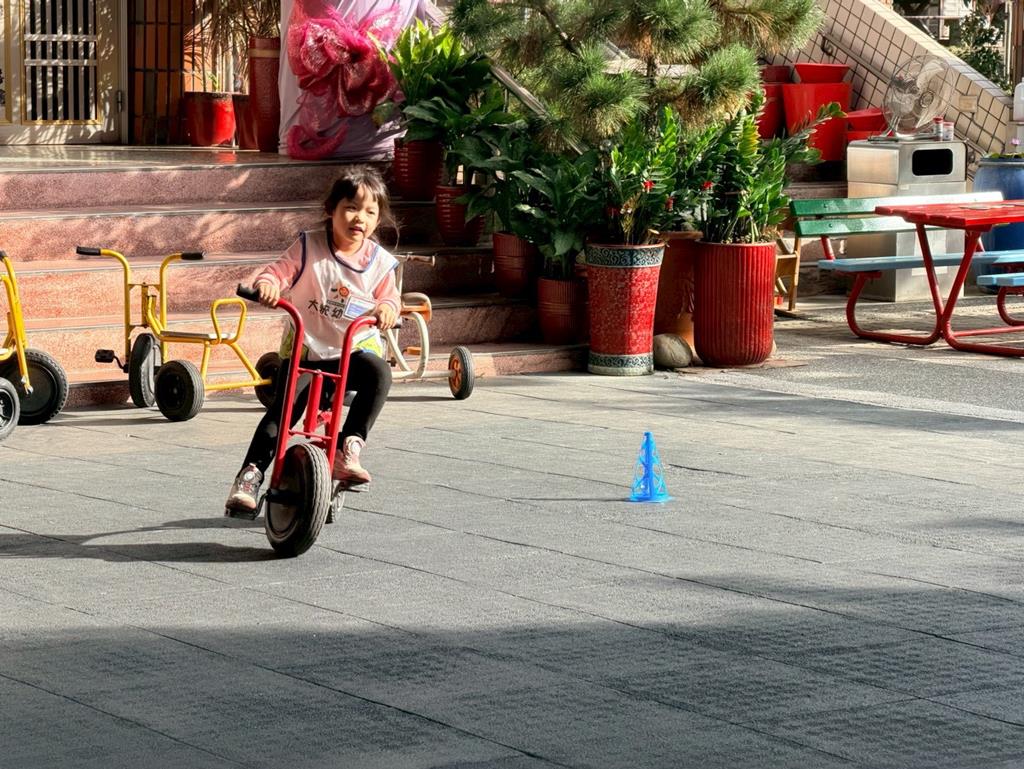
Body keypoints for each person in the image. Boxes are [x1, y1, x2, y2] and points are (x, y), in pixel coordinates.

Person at [225, 165, 399, 518]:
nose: (360, 218)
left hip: (352, 351)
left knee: (379, 373)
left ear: (378, 219)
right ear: (331, 209)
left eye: (370, 212)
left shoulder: (379, 262)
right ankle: (250, 477)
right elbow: (277, 272)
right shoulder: (309, 246)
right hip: (307, 349)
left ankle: (348, 447)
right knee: (284, 412)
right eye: (351, 207)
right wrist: (269, 286)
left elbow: (390, 298)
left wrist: (387, 308)